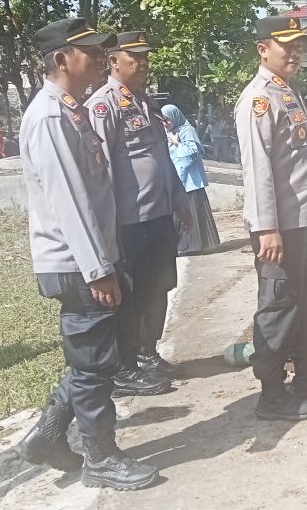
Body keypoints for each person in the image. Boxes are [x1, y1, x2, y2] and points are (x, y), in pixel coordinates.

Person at [16, 19, 158, 491]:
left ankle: (49, 434)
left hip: (90, 257)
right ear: (61, 59)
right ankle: (100, 456)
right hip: (77, 262)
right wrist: (99, 269)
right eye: (91, 52)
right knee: (95, 363)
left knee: (93, 356)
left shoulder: (71, 110)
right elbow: (70, 200)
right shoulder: (51, 117)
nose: (101, 58)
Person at [235, 16, 307, 422]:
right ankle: (271, 395)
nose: (296, 51)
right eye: (287, 44)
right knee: (278, 306)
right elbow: (258, 170)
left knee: (306, 302)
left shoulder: (289, 93)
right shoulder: (258, 100)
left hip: (301, 221)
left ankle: (306, 374)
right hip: (278, 228)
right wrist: (267, 227)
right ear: (263, 49)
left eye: (299, 43)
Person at [88, 32, 188, 386]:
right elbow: (103, 170)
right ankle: (126, 365)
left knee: (158, 287)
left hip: (158, 216)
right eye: (135, 58)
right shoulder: (104, 105)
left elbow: (161, 157)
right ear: (114, 62)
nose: (143, 64)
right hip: (128, 222)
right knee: (129, 296)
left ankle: (149, 352)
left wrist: (178, 199)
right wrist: (108, 221)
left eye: (145, 57)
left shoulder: (146, 102)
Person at [161, 104, 222, 256]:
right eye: (163, 120)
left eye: (168, 120)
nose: (165, 123)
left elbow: (193, 153)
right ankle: (179, 246)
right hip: (175, 179)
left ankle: (194, 246)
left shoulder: (187, 130)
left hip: (190, 181)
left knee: (192, 212)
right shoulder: (165, 132)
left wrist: (177, 143)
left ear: (175, 117)